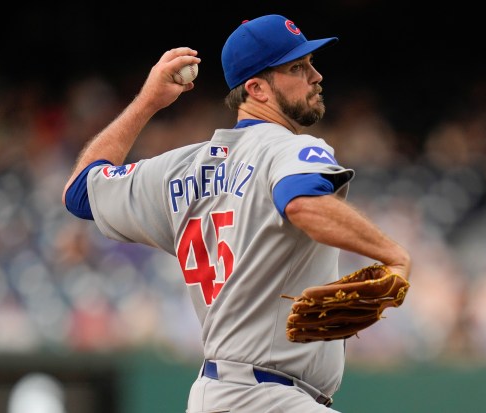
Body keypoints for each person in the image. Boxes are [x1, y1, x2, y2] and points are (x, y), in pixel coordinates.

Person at [62, 14, 411, 413]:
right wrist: (393, 255)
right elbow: (302, 203)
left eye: (311, 63)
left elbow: (80, 191)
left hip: (217, 394)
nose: (316, 76)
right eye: (298, 67)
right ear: (256, 88)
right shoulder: (287, 149)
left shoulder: (177, 168)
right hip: (267, 396)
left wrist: (148, 102)